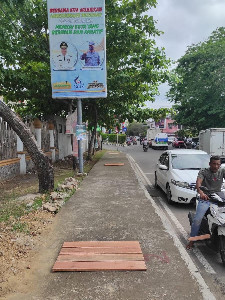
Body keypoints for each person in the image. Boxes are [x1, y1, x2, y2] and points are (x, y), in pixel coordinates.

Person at [186, 155, 225, 249]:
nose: (216, 166)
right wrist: (201, 193)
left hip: (218, 198)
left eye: (218, 164)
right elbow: (198, 184)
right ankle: (192, 241)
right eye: (214, 164)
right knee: (197, 220)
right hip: (206, 199)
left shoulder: (222, 171)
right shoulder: (204, 171)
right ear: (210, 164)